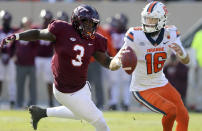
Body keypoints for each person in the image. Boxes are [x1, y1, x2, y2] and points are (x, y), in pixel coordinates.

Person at [1, 5, 111, 131]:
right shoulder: (62, 29)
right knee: (100, 121)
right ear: (76, 21)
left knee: (79, 114)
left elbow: (107, 62)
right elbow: (38, 33)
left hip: (82, 87)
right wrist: (17, 36)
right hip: (65, 90)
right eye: (86, 22)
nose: (89, 26)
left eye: (93, 23)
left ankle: (41, 113)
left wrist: (120, 60)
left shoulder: (96, 39)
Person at [110, 1, 189, 131]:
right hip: (142, 88)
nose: (149, 22)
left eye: (153, 19)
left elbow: (186, 60)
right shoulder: (135, 35)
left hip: (161, 83)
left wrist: (182, 54)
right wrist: (119, 60)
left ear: (162, 20)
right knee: (170, 111)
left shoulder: (171, 34)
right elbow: (113, 65)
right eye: (147, 18)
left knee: (184, 117)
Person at [13, 17, 38, 108]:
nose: (27, 25)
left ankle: (32, 104)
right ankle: (19, 103)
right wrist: (13, 55)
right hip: (20, 64)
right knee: (20, 84)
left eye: (28, 24)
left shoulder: (32, 34)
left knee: (32, 85)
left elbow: (36, 45)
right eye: (25, 23)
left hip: (31, 63)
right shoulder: (17, 33)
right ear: (22, 24)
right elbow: (12, 46)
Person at [36, 9, 54, 107]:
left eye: (47, 19)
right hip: (37, 58)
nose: (45, 21)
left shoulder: (53, 31)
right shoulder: (37, 29)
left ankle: (50, 100)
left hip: (48, 58)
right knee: (34, 80)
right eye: (44, 19)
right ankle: (32, 99)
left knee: (49, 81)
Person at [0, 10, 17, 108]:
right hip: (0, 58)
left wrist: (12, 56)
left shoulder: (13, 31)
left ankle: (12, 100)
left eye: (7, 20)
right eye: (4, 20)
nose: (5, 22)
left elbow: (16, 45)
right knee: (0, 79)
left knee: (11, 80)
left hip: (11, 58)